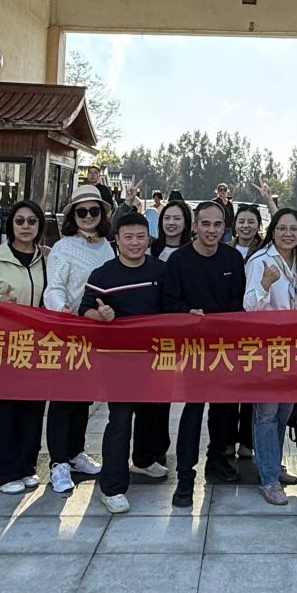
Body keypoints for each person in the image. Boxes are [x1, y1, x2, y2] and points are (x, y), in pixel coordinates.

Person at [80, 210, 167, 514]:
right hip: (117, 362)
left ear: (149, 240)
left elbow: (172, 306)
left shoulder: (161, 270)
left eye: (140, 237)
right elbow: (84, 310)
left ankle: (143, 460)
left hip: (154, 358)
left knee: (152, 413)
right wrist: (101, 315)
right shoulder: (103, 275)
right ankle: (112, 487)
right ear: (116, 240)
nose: (134, 243)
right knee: (120, 419)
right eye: (128, 237)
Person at [161, 198, 245, 507]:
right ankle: (185, 477)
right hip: (192, 347)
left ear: (225, 228)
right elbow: (168, 302)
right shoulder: (179, 260)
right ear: (194, 226)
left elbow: (239, 303)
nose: (211, 230)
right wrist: (187, 313)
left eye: (217, 224)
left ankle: (217, 461)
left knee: (224, 409)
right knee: (193, 409)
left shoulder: (233, 258)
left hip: (224, 347)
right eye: (205, 224)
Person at [0, 200, 50, 494]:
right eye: (20, 221)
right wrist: (0, 302)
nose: (26, 226)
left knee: (31, 408)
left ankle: (26, 466)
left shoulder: (47, 258)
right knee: (0, 410)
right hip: (0, 345)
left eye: (32, 221)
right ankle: (2, 473)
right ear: (11, 225)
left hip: (36, 345)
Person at [42, 183, 114, 493]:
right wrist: (62, 311)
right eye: (81, 211)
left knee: (84, 395)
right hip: (68, 330)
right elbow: (54, 287)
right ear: (73, 215)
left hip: (97, 331)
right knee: (63, 398)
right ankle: (58, 462)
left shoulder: (108, 247)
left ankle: (75, 453)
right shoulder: (62, 247)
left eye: (93, 210)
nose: (87, 216)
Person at [242, 207, 297, 506]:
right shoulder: (260, 261)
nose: (288, 234)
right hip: (267, 348)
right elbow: (249, 306)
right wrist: (266, 283)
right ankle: (268, 479)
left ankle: (274, 463)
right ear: (272, 230)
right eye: (282, 228)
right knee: (266, 413)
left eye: (294, 229)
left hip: (293, 349)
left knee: (283, 410)